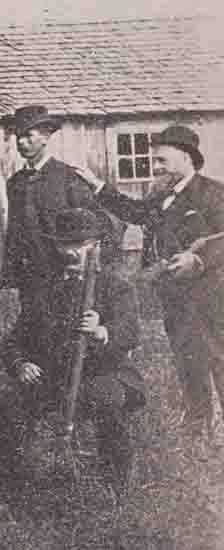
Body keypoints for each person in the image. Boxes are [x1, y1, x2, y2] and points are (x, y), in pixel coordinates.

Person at [77, 125, 224, 440]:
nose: (155, 168)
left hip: (211, 293)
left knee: (217, 355)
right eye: (154, 162)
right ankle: (198, 420)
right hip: (173, 294)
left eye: (162, 161)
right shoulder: (160, 196)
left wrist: (197, 260)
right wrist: (98, 186)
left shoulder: (213, 193)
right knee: (186, 355)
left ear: (186, 157)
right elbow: (135, 213)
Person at [0, 208, 145, 496]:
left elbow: (131, 332)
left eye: (79, 245)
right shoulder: (43, 291)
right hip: (53, 379)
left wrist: (102, 331)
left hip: (104, 374)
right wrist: (21, 364)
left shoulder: (115, 287)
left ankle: (116, 482)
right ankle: (7, 486)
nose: (71, 252)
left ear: (96, 246)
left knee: (105, 399)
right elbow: (13, 341)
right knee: (4, 411)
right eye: (64, 244)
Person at [2, 105, 119, 304]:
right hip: (30, 278)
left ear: (46, 136)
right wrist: (11, 275)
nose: (22, 142)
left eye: (28, 136)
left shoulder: (67, 177)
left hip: (64, 274)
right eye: (18, 137)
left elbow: (98, 225)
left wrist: (89, 265)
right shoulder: (15, 183)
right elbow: (14, 231)